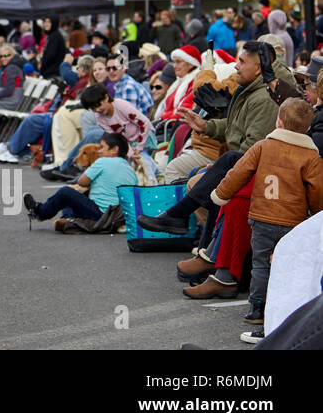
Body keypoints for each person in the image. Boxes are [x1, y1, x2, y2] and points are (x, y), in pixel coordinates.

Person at [138, 41, 279, 241]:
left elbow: (252, 149)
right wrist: (206, 126)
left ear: (257, 68)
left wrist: (222, 167)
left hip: (254, 168)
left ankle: (204, 241)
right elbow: (235, 128)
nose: (236, 66)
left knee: (208, 181)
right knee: (204, 179)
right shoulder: (249, 89)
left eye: (242, 61)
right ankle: (207, 244)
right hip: (238, 160)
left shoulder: (262, 97)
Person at [210, 97, 323, 338]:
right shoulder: (311, 157)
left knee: (260, 264)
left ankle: (256, 308)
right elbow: (317, 190)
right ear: (307, 129)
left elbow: (238, 172)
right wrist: (316, 213)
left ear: (278, 121)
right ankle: (280, 309)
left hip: (261, 217)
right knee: (285, 265)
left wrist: (221, 194)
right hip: (293, 221)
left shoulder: (263, 146)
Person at [23, 132, 135, 222]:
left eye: (102, 147)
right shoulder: (130, 170)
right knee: (75, 197)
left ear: (114, 150)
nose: (99, 151)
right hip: (120, 217)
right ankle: (68, 218)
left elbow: (82, 182)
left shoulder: (103, 161)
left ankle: (39, 212)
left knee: (66, 192)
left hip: (102, 215)